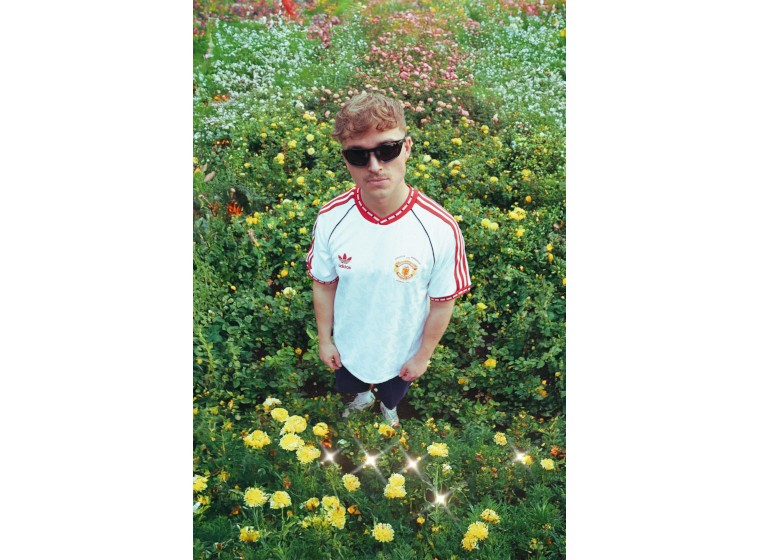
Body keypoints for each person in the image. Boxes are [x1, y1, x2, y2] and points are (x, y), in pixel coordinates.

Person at [306, 91, 471, 427]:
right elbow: (323, 284)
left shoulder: (440, 228)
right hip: (350, 346)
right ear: (345, 160)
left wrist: (422, 356)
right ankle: (363, 397)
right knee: (351, 383)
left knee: (393, 392)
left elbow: (442, 303)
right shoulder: (331, 218)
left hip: (402, 349)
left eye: (387, 150)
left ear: (407, 148)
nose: (374, 166)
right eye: (358, 155)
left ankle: (389, 407)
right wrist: (325, 340)